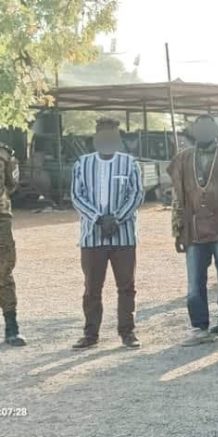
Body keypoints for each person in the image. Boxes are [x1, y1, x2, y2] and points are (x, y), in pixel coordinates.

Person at [168, 114, 218, 348]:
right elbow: (177, 197)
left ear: (216, 131)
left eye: (208, 127)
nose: (203, 132)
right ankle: (199, 329)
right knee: (194, 286)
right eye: (199, 128)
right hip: (193, 231)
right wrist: (177, 229)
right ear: (194, 131)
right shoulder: (182, 159)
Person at [70, 118, 145, 349]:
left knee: (126, 287)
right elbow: (76, 196)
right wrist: (99, 219)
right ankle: (90, 334)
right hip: (92, 237)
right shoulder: (82, 164)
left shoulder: (129, 163)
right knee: (92, 288)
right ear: (96, 138)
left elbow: (136, 194)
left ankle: (128, 332)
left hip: (124, 237)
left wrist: (117, 218)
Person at [0, 141, 25, 347]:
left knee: (3, 270)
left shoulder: (4, 154)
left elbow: (11, 184)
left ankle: (11, 326)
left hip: (1, 218)